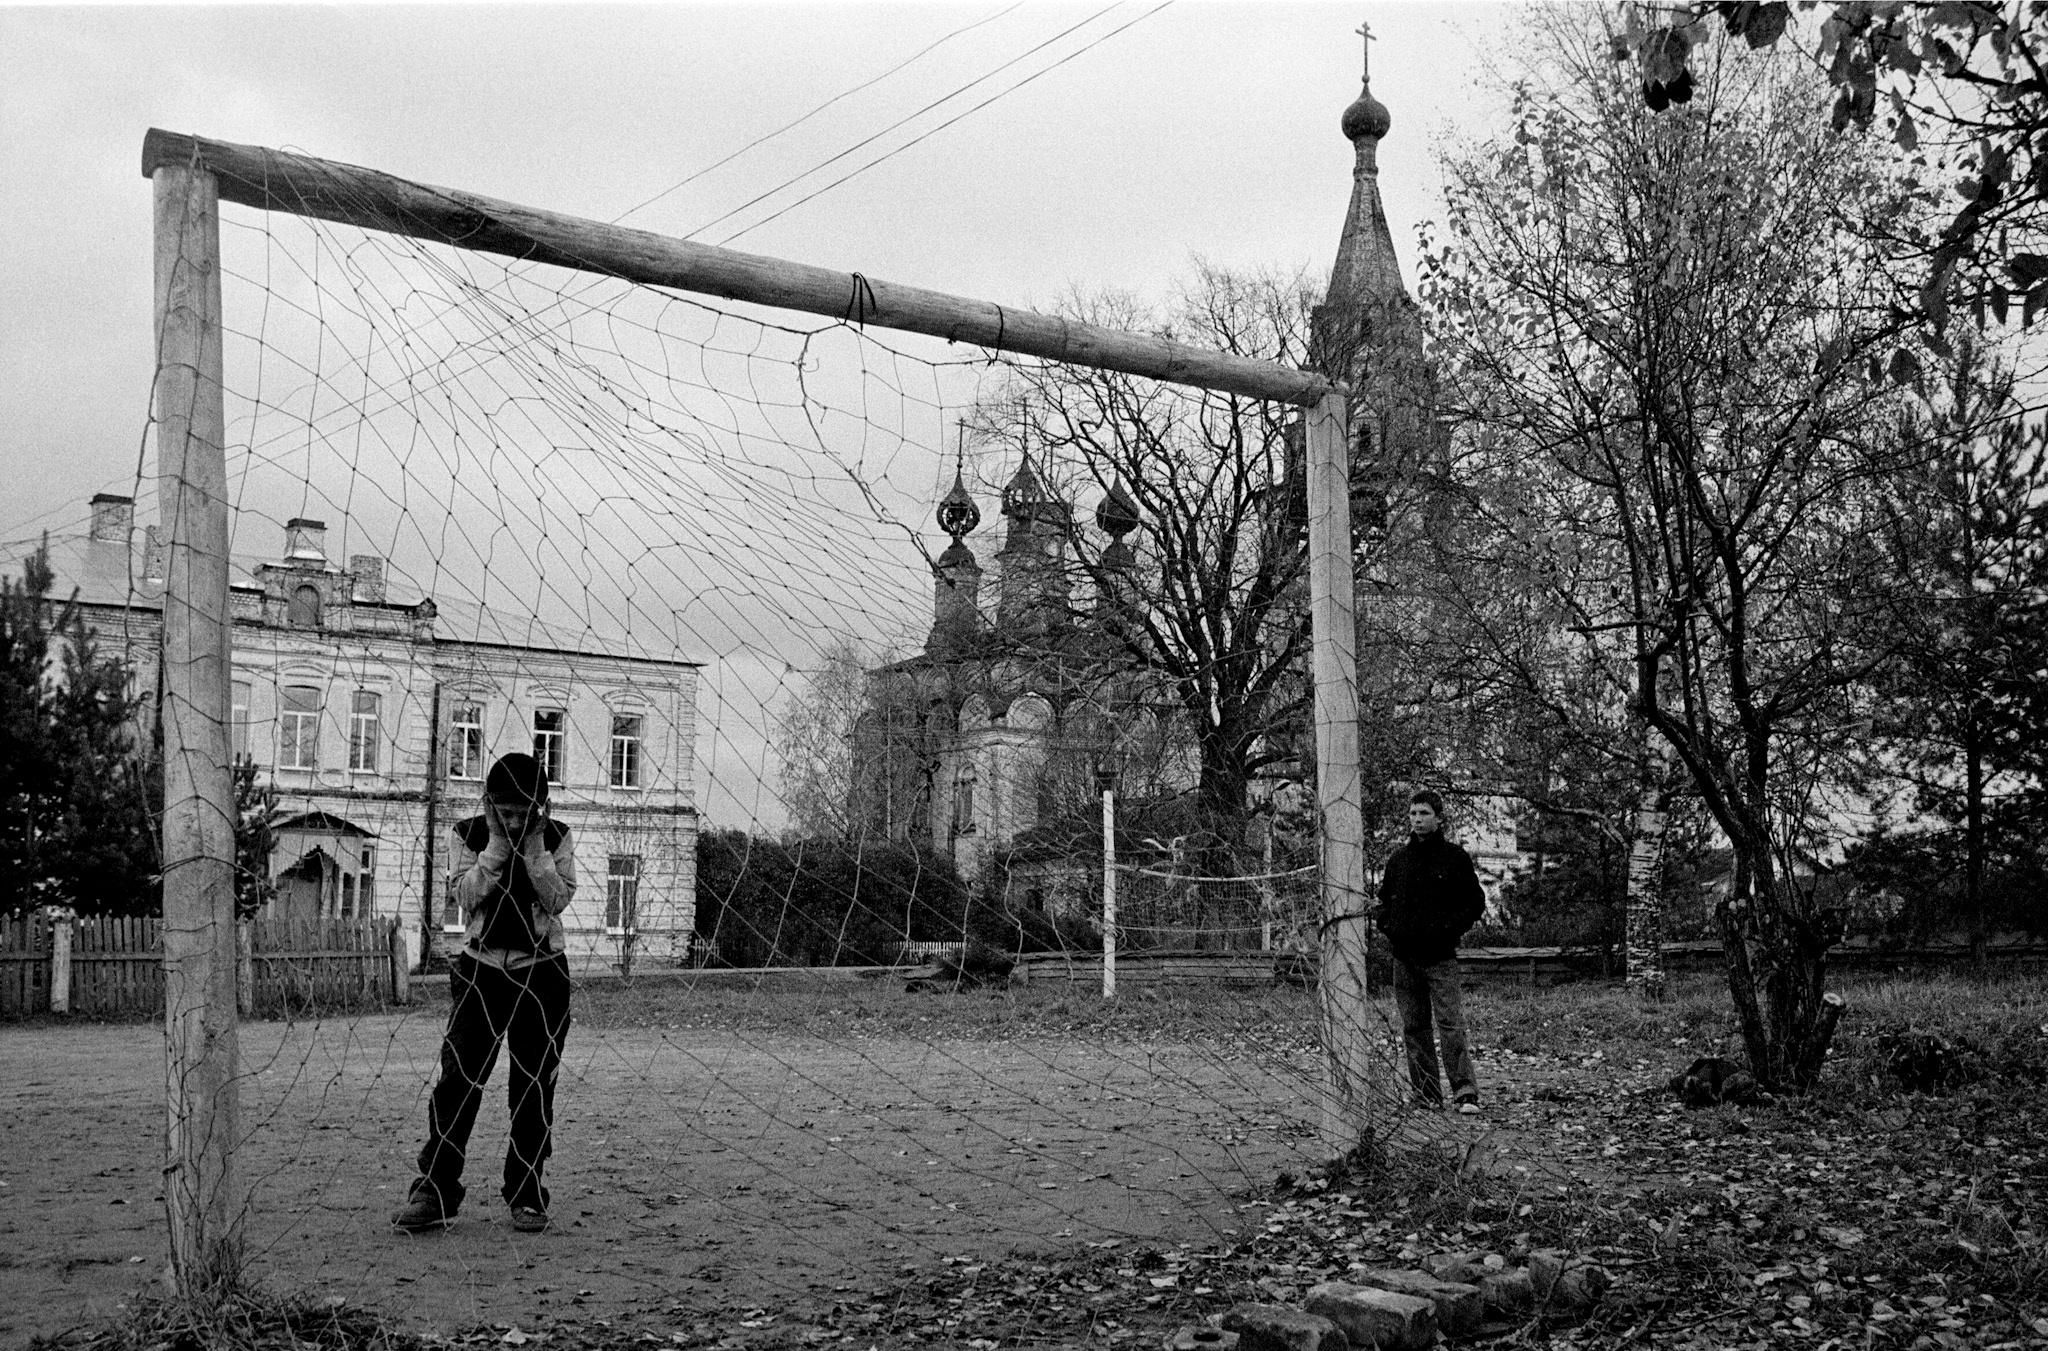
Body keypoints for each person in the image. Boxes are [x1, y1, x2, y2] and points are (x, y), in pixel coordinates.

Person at [393, 752, 577, 1233]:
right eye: (505, 812)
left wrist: (534, 848)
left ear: (541, 805)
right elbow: (467, 896)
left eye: (524, 812)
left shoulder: (556, 837)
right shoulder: (467, 833)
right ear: (488, 804)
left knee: (534, 1087)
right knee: (458, 1082)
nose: (515, 821)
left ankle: (527, 1193)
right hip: (480, 972)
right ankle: (436, 1189)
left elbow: (557, 899)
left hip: (541, 976)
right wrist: (496, 845)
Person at [1375, 789, 1486, 1114]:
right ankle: (1426, 1096)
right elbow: (1383, 905)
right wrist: (1390, 927)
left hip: (1441, 958)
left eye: (1424, 814)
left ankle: (1465, 1094)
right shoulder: (1398, 861)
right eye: (1413, 814)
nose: (1417, 820)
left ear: (1438, 818)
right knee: (1414, 1028)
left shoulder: (1454, 858)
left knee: (1451, 1025)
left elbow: (1475, 903)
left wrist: (1448, 930)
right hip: (1405, 959)